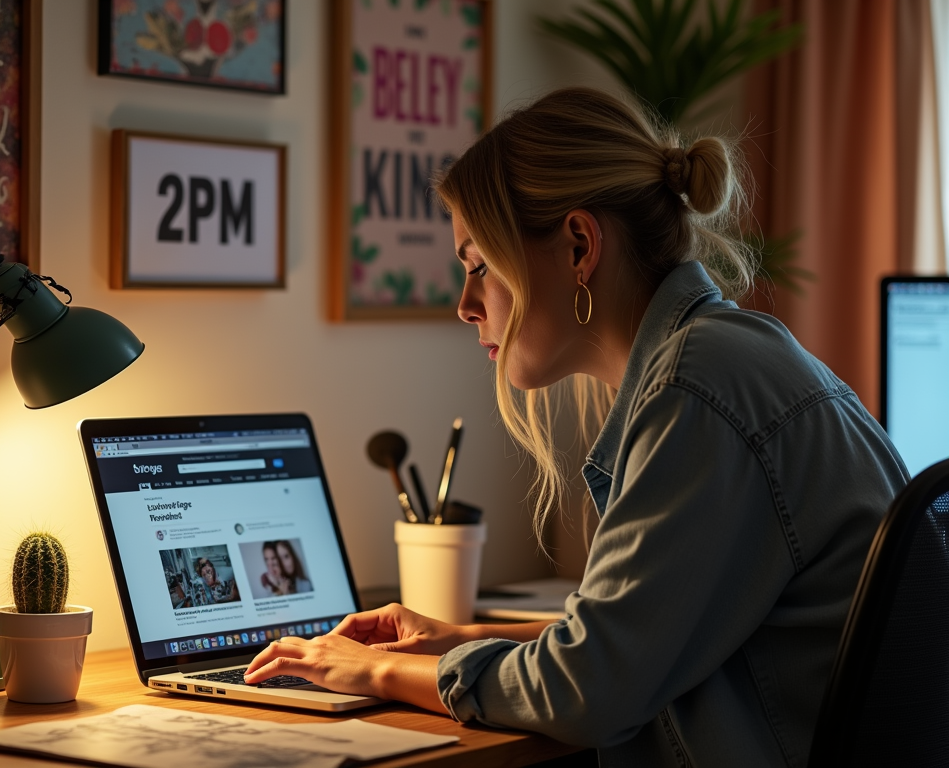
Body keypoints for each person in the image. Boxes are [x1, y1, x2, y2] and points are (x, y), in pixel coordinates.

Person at [244, 87, 909, 766]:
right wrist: (455, 639)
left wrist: (372, 671)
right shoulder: (731, 355)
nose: (465, 305)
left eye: (479, 265)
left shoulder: (696, 391)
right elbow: (634, 635)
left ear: (579, 246)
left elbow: (586, 689)